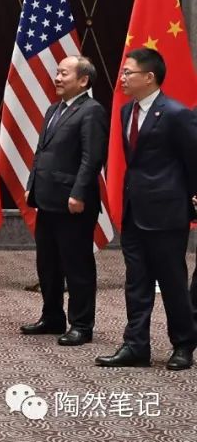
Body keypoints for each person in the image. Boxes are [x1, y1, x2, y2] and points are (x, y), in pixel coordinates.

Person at [96, 47, 197, 370]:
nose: (122, 78)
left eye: (129, 72)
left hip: (167, 214)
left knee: (172, 283)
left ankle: (183, 345)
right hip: (134, 211)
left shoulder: (177, 114)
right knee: (136, 283)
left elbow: (192, 162)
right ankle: (135, 345)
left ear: (149, 77)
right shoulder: (127, 111)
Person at [21, 56, 106, 346]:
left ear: (83, 80)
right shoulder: (53, 109)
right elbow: (41, 152)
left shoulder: (92, 111)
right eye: (57, 72)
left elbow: (92, 158)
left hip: (73, 202)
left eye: (64, 73)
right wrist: (31, 185)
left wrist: (79, 193)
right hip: (47, 199)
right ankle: (52, 316)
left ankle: (81, 324)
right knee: (48, 263)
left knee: (77, 265)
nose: (57, 78)